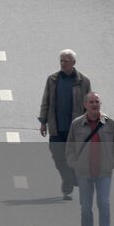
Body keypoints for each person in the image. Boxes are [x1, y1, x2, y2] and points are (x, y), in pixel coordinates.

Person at [65, 92, 114, 226]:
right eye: (91, 102)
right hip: (84, 173)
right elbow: (69, 148)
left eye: (97, 101)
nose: (94, 104)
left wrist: (113, 161)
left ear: (100, 104)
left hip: (104, 172)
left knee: (104, 204)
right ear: (85, 105)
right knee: (86, 208)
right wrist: (74, 164)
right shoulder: (76, 124)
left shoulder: (109, 123)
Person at [38, 50, 92, 201]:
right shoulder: (53, 79)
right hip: (56, 127)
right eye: (61, 60)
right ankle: (69, 178)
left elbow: (89, 105)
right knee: (58, 157)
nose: (63, 63)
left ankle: (68, 184)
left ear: (73, 63)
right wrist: (43, 122)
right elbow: (46, 101)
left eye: (66, 61)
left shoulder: (83, 81)